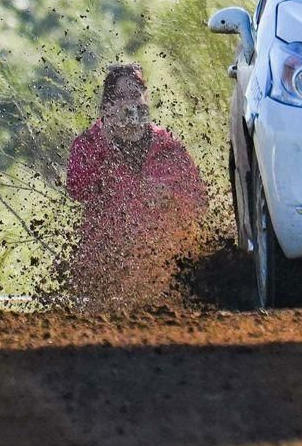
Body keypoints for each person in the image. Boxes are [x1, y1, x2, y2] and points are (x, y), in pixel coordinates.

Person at [66, 63, 207, 306]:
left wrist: (171, 198)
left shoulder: (169, 148)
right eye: (121, 97)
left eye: (136, 94)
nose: (131, 103)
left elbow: (199, 202)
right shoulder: (88, 144)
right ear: (107, 106)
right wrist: (105, 141)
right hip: (104, 276)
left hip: (165, 275)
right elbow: (76, 188)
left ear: (146, 98)